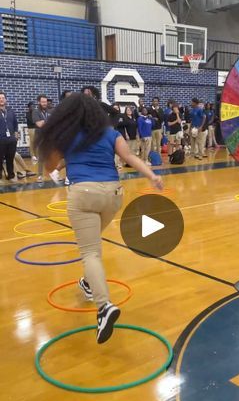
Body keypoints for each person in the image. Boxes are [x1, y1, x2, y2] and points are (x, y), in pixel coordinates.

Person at [35, 93, 163, 344]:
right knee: (93, 246)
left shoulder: (68, 135)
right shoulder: (110, 133)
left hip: (84, 195)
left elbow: (49, 166)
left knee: (90, 253)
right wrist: (152, 176)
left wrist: (50, 143)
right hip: (113, 195)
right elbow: (130, 158)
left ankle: (104, 307)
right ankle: (87, 283)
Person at [0, 92, 18, 182]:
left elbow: (15, 123)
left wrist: (15, 134)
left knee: (10, 159)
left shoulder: (10, 111)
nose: (1, 99)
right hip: (1, 139)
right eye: (0, 98)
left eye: (3, 97)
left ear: (6, 99)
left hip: (11, 139)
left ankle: (11, 175)